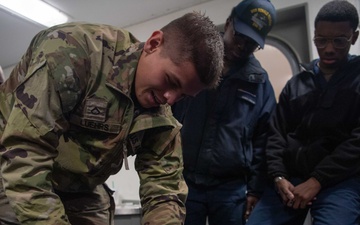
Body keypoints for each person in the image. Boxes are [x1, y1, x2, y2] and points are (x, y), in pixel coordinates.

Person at [0, 12, 224, 225]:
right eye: (171, 81)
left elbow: (164, 191)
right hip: (10, 161)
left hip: (78, 185)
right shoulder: (72, 52)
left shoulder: (161, 117)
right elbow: (25, 150)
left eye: (183, 95)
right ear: (154, 43)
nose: (170, 98)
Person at [246, 1, 360, 224]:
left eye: (339, 41)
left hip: (341, 181)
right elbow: (276, 134)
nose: (328, 48)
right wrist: (279, 176)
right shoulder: (296, 85)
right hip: (290, 178)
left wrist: (317, 180)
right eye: (321, 40)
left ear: (353, 37)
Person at [172, 0, 276, 224]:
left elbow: (263, 140)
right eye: (240, 36)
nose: (242, 46)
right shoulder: (195, 60)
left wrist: (255, 190)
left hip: (231, 190)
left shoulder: (259, 82)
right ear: (229, 23)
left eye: (251, 43)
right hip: (185, 180)